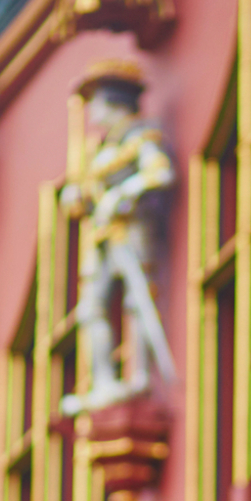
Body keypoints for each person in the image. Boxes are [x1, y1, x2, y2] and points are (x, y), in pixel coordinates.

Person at [60, 60, 175, 415]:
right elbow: (83, 195)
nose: (92, 112)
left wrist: (123, 192)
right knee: (92, 306)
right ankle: (104, 379)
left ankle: (138, 373)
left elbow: (160, 172)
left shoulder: (140, 137)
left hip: (131, 227)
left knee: (136, 298)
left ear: (114, 104)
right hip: (102, 234)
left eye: (97, 103)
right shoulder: (96, 151)